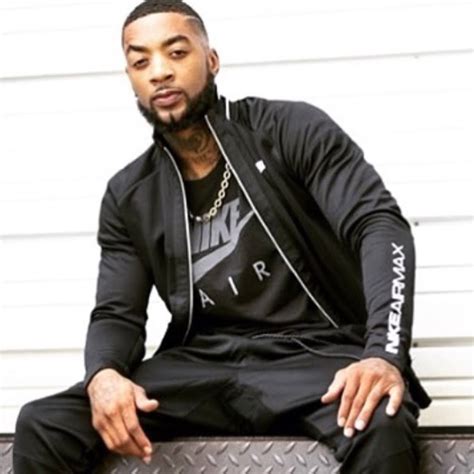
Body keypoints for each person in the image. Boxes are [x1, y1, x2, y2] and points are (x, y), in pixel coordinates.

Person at [13, 0, 431, 472]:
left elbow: (379, 225)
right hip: (203, 367)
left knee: (379, 418)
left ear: (211, 60)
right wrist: (104, 375)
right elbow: (117, 312)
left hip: (313, 354)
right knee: (45, 424)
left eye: (176, 52)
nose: (159, 72)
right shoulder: (130, 195)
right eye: (141, 62)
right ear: (130, 77)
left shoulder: (289, 130)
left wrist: (383, 354)